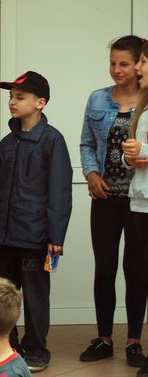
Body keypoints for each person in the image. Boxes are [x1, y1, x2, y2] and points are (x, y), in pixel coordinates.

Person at [0, 71, 72, 373]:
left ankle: (37, 349)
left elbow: (60, 192)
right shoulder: (7, 143)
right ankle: (7, 346)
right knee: (0, 295)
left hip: (35, 237)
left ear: (40, 102)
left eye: (20, 97)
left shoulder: (52, 141)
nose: (12, 102)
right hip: (4, 236)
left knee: (35, 297)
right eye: (11, 96)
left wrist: (56, 235)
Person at [78, 35, 147, 367]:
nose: (116, 70)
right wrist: (91, 173)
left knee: (137, 269)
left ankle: (134, 341)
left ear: (139, 64)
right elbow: (87, 144)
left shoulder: (147, 101)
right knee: (104, 268)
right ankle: (103, 338)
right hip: (104, 197)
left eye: (124, 64)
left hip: (139, 201)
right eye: (112, 63)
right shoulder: (97, 99)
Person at [122, 41, 148, 377]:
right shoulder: (143, 106)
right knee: (140, 275)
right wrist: (134, 157)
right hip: (140, 203)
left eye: (141, 61)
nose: (137, 68)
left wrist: (142, 150)